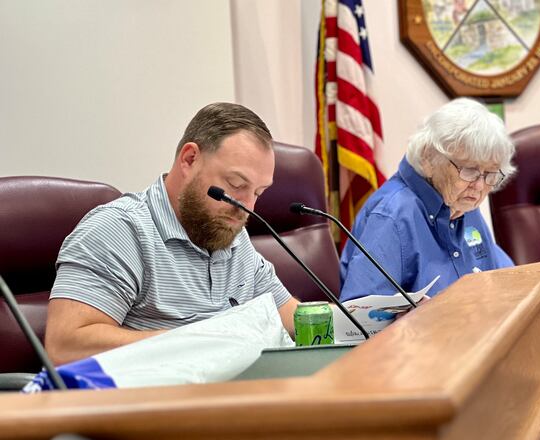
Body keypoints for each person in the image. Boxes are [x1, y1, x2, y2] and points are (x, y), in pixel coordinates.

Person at [45, 103, 299, 365]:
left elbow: (294, 317)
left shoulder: (229, 229)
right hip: (156, 400)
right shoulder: (119, 230)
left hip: (238, 396)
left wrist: (342, 317)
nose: (247, 206)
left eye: (258, 193)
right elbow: (65, 345)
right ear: (189, 159)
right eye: (236, 185)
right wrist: (199, 343)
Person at [339, 98, 516, 302]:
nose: (479, 186)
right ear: (429, 158)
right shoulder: (392, 216)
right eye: (469, 170)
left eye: (490, 174)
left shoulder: (462, 203)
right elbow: (361, 317)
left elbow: (506, 278)